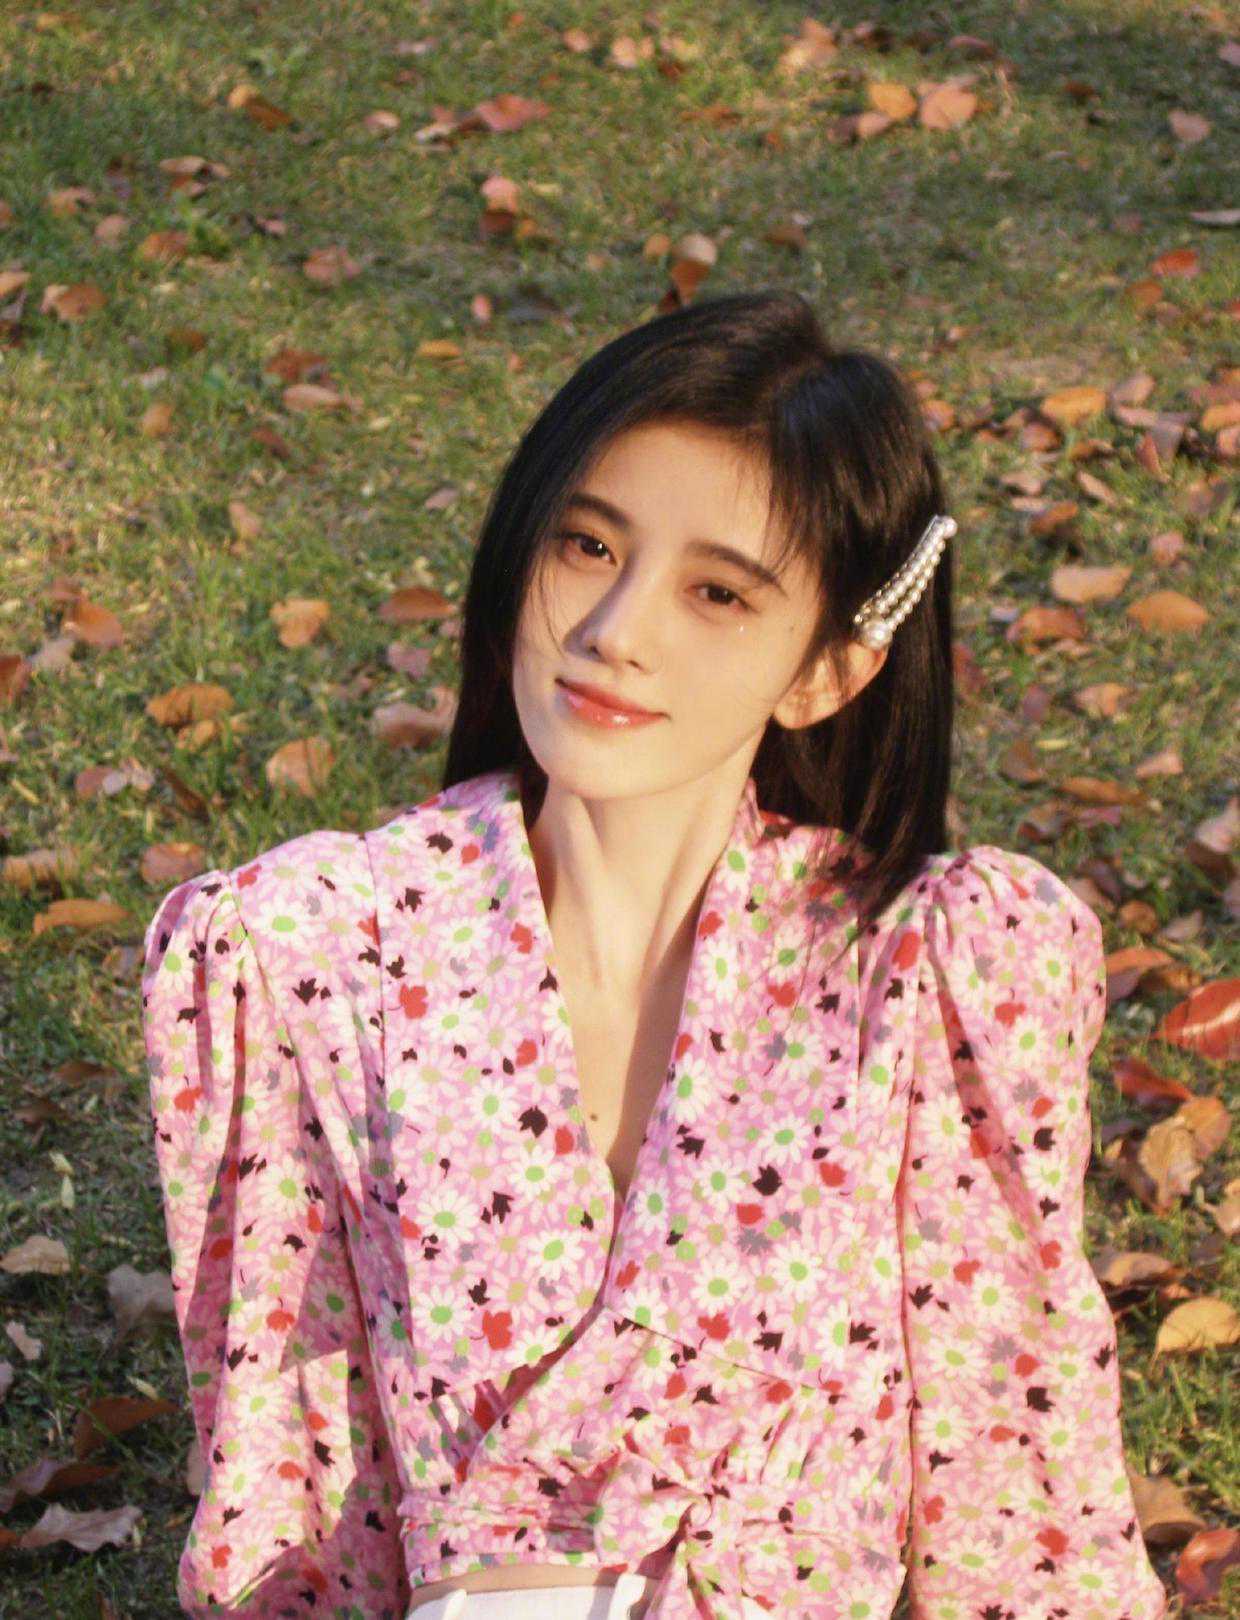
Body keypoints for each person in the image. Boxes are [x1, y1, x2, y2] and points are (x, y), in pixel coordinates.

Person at [141, 290, 1168, 1620]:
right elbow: (288, 1471)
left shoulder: (930, 970)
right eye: (587, 545)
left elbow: (1015, 1485)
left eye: (717, 592)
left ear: (829, 669)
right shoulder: (314, 949)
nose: (616, 629)